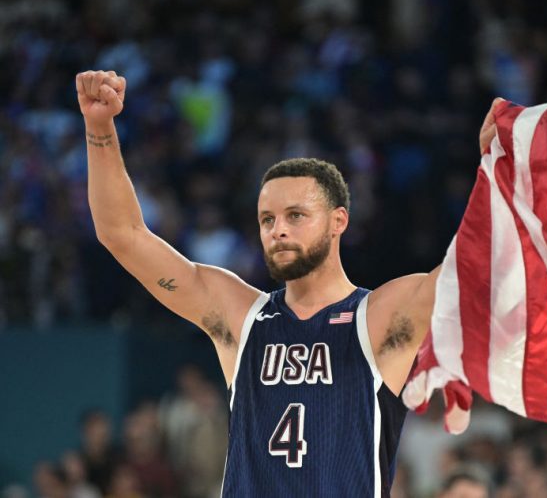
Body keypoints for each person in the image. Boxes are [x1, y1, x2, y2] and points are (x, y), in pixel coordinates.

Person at [75, 70, 500, 496]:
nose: (277, 230)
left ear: (339, 222)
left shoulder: (380, 317)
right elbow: (123, 236)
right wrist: (99, 129)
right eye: (267, 219)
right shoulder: (241, 316)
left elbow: (475, 269)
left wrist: (497, 172)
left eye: (295, 216)